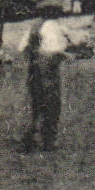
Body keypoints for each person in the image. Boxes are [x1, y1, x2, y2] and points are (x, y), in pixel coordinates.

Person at [22, 19, 66, 151]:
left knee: (38, 104)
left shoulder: (36, 27)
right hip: (45, 72)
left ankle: (36, 136)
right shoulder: (51, 27)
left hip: (37, 70)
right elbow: (57, 51)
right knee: (49, 104)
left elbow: (24, 48)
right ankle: (45, 139)